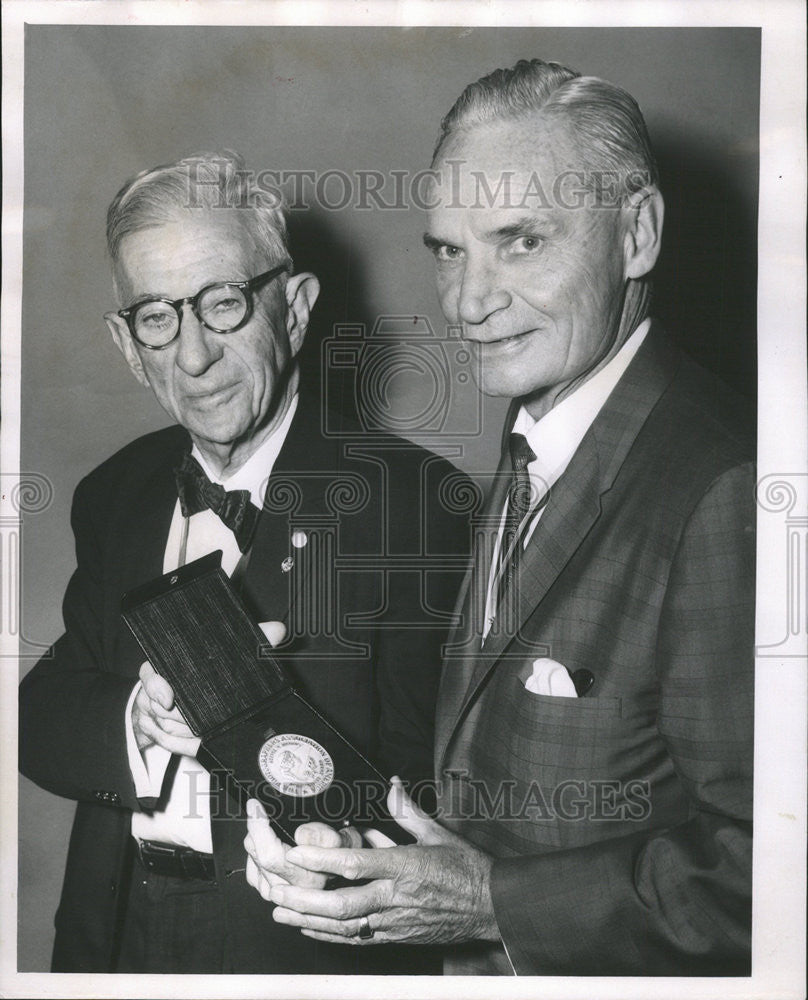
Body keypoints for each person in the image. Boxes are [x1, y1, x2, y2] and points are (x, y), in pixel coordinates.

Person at [245, 58, 755, 977]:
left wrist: (490, 903)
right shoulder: (536, 429)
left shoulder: (722, 489)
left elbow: (776, 873)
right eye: (449, 249)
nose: (469, 303)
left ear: (637, 234)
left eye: (520, 241)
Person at [18, 152, 470, 974]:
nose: (192, 357)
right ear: (127, 343)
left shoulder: (414, 507)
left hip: (294, 953)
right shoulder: (115, 494)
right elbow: (41, 711)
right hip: (111, 939)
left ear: (293, 310)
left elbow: (443, 795)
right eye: (157, 317)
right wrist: (139, 721)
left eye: (222, 304)